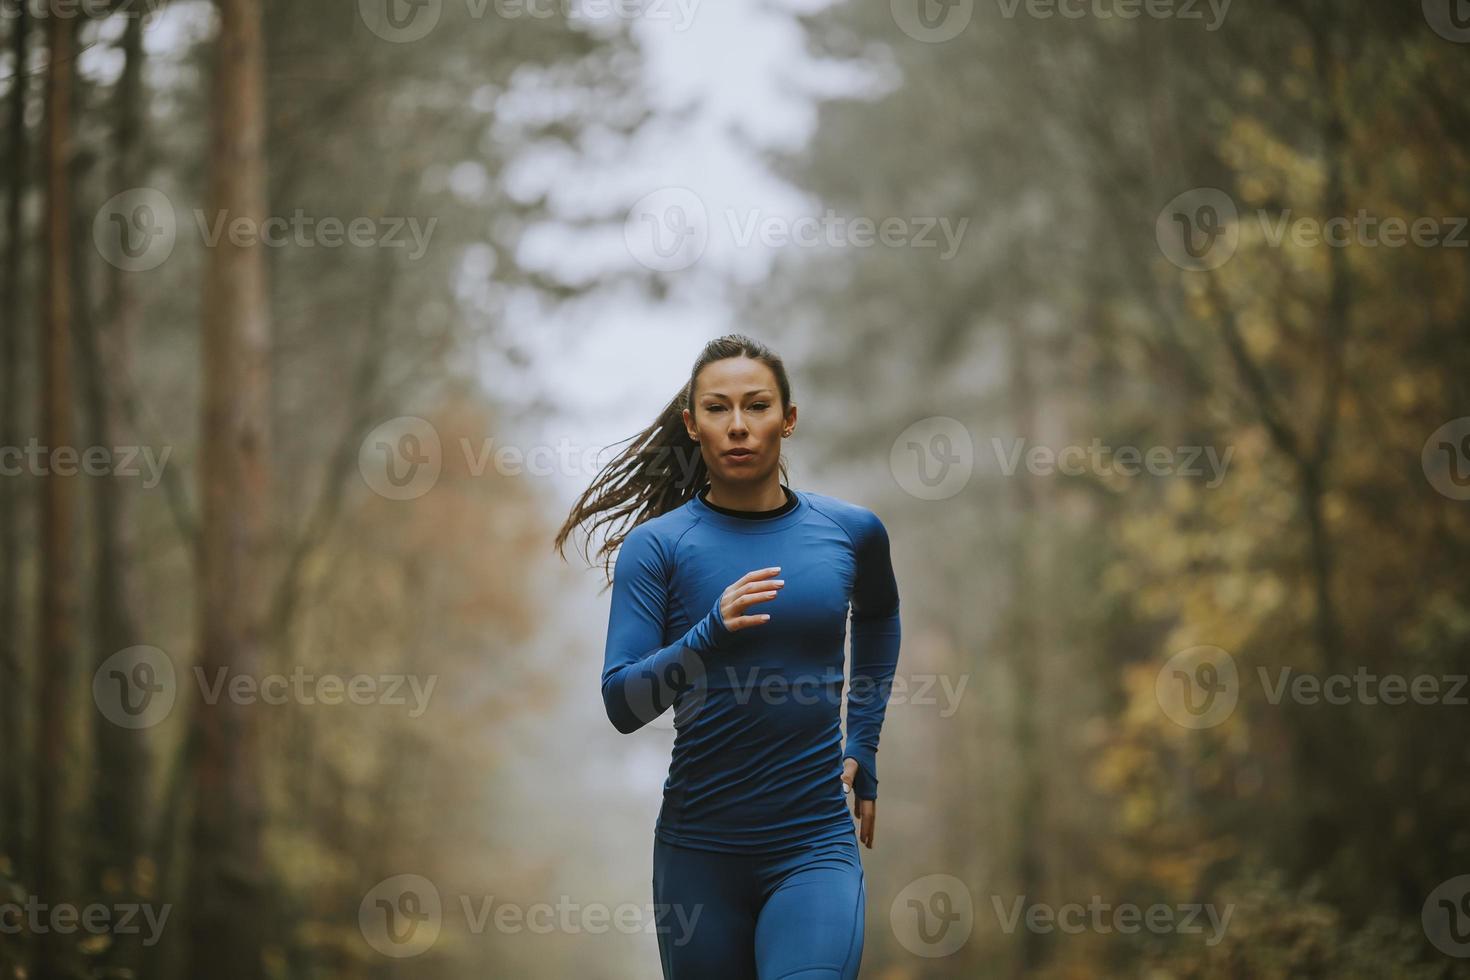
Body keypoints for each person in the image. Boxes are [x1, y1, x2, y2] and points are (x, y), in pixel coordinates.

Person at [554, 333, 902, 979]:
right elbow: (622, 704)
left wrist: (865, 742)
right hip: (699, 856)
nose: (738, 426)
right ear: (692, 424)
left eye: (757, 405)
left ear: (788, 419)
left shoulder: (851, 532)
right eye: (717, 409)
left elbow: (880, 615)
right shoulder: (656, 548)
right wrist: (707, 636)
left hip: (814, 846)